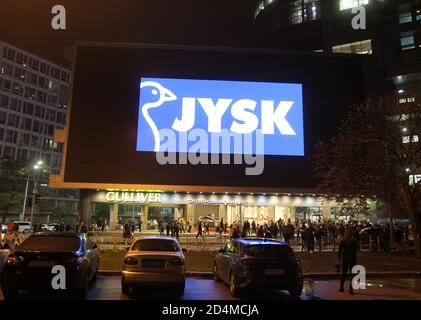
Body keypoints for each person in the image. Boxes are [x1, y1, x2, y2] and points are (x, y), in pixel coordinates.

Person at [338, 228, 358, 294]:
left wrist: (339, 259)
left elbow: (339, 251)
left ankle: (341, 287)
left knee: (344, 273)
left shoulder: (342, 240)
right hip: (352, 257)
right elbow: (356, 249)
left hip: (345, 258)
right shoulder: (354, 240)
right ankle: (351, 289)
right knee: (352, 274)